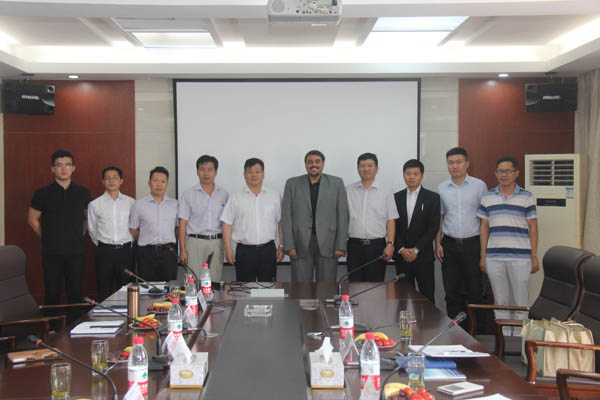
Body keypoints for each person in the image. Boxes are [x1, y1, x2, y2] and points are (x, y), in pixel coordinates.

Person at [478, 156, 538, 335]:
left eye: (507, 171)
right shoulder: (487, 197)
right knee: (500, 301)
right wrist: (483, 256)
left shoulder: (526, 197)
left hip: (521, 257)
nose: (503, 175)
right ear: (496, 173)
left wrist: (534, 256)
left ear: (516, 173)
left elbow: (533, 228)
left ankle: (520, 339)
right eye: (500, 171)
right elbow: (484, 228)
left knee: (521, 301)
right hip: (494, 257)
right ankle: (503, 338)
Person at [27, 150, 91, 304]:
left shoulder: (82, 192)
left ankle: (74, 320)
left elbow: (89, 218)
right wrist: (47, 236)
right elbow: (32, 219)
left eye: (68, 165)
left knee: (75, 293)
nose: (64, 168)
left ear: (73, 168)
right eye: (59, 165)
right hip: (51, 252)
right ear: (52, 168)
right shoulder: (42, 193)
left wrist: (79, 234)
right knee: (52, 292)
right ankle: (52, 321)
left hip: (75, 251)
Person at [435, 147, 487, 323]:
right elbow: (440, 217)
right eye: (451, 163)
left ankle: (476, 331)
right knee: (451, 291)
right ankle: (455, 330)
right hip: (449, 244)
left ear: (467, 164)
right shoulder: (442, 188)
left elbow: (485, 220)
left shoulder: (479, 186)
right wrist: (438, 243)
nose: (454, 166)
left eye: (458, 162)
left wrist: (483, 251)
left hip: (473, 244)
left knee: (475, 290)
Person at [281, 150, 349, 282]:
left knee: (326, 287)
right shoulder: (292, 184)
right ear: (306, 164)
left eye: (317, 162)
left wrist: (340, 245)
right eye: (310, 162)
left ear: (323, 164)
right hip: (300, 244)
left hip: (329, 244)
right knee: (301, 288)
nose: (314, 165)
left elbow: (342, 215)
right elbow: (286, 217)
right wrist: (289, 246)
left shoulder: (336, 183)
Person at [220, 158, 284, 281]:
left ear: (263, 174)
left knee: (268, 288)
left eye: (257, 171)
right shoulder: (235, 197)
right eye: (250, 172)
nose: (254, 175)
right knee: (244, 288)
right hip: (245, 251)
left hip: (268, 250)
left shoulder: (274, 196)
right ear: (244, 174)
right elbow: (226, 223)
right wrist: (228, 248)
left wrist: (281, 245)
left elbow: (281, 222)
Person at [394, 159, 440, 303]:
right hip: (402, 256)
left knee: (427, 298)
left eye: (415, 174)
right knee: (403, 299)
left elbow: (433, 227)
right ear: (403, 175)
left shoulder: (433, 198)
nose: (411, 177)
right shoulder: (395, 197)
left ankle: (428, 321)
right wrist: (401, 249)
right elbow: (392, 226)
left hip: (423, 255)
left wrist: (416, 249)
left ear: (422, 175)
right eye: (408, 173)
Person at [346, 153, 397, 282]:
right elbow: (343, 219)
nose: (366, 169)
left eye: (370, 165)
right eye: (362, 166)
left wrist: (390, 244)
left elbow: (391, 219)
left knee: (375, 287)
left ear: (376, 168)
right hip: (354, 246)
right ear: (358, 168)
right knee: (355, 285)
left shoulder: (386, 191)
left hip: (377, 246)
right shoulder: (348, 190)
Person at [178, 155, 229, 282]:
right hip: (195, 242)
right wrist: (182, 249)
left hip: (216, 242)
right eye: (202, 169)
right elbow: (182, 223)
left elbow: (227, 224)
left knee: (214, 281)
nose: (206, 173)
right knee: (193, 281)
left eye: (210, 169)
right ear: (197, 172)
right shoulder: (188, 194)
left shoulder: (224, 195)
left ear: (216, 172)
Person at [87, 166, 135, 301]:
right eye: (108, 178)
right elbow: (92, 230)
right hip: (104, 252)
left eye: (115, 178)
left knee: (126, 289)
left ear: (121, 181)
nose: (111, 181)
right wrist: (104, 245)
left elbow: (135, 227)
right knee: (104, 288)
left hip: (125, 251)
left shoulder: (131, 203)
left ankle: (126, 314)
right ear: (103, 181)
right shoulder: (94, 204)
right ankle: (105, 314)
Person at [129, 166, 178, 282]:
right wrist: (147, 239)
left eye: (163, 181)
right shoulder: (139, 204)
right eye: (155, 181)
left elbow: (177, 228)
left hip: (168, 252)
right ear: (149, 183)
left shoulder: (175, 204)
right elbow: (133, 229)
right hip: (146, 253)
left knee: (169, 287)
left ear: (167, 184)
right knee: (146, 287)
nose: (159, 185)